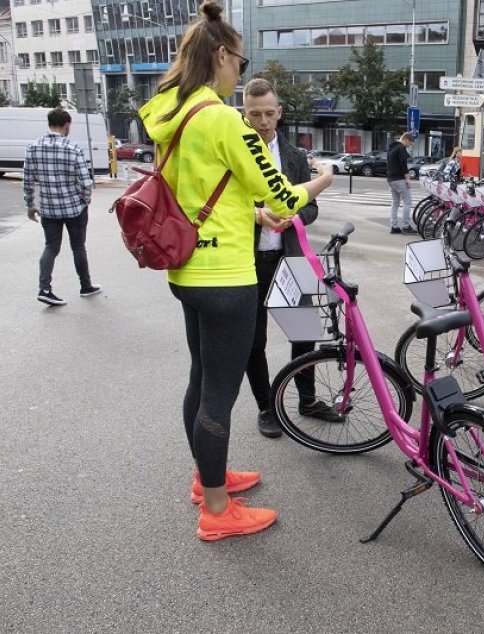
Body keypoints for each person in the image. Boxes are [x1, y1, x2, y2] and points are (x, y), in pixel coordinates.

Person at [139, 0, 331, 541]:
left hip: (187, 271)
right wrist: (322, 180)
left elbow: (197, 189)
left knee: (201, 380)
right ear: (222, 56)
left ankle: (208, 479)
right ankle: (218, 511)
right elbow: (286, 195)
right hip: (227, 275)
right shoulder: (223, 119)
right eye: (240, 65)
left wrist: (251, 211)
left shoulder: (168, 112)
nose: (239, 74)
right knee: (219, 391)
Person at [239, 77, 338, 439]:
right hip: (248, 262)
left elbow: (311, 207)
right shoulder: (237, 152)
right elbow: (226, 207)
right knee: (254, 341)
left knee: (305, 333)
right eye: (254, 114)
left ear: (279, 112)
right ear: (244, 114)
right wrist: (256, 215)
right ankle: (267, 407)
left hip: (291, 256)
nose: (263, 121)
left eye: (269, 113)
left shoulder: (295, 157)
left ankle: (307, 400)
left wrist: (294, 217)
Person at [23, 107, 99, 306]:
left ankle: (45, 289)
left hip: (48, 210)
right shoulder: (72, 148)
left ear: (50, 124)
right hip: (74, 208)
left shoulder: (33, 147)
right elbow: (85, 182)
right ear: (66, 125)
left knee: (50, 247)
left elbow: (27, 181)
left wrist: (30, 205)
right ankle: (85, 286)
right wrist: (85, 200)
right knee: (78, 247)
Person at [387, 132, 414, 234]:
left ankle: (394, 226)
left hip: (390, 179)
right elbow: (403, 165)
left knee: (395, 203)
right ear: (406, 139)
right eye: (410, 143)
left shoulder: (392, 147)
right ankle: (406, 226)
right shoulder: (401, 148)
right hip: (399, 178)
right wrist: (407, 179)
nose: (409, 146)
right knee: (407, 201)